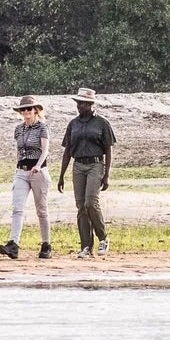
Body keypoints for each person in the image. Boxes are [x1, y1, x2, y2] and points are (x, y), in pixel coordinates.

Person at [56, 86, 116, 258]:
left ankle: (103, 238)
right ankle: (86, 246)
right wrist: (61, 176)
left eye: (82, 103)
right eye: (78, 103)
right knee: (81, 206)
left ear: (90, 104)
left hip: (96, 165)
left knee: (91, 202)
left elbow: (108, 149)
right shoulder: (73, 124)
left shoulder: (102, 123)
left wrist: (107, 174)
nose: (79, 106)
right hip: (78, 166)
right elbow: (67, 151)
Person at [0, 95, 53, 260]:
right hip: (22, 170)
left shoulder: (42, 128)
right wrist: (18, 167)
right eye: (23, 109)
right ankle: (13, 243)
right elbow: (19, 150)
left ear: (36, 110)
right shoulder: (18, 129)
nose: (26, 112)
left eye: (29, 108)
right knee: (17, 208)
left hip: (38, 170)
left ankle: (46, 244)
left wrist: (38, 166)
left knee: (41, 210)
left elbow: (45, 150)